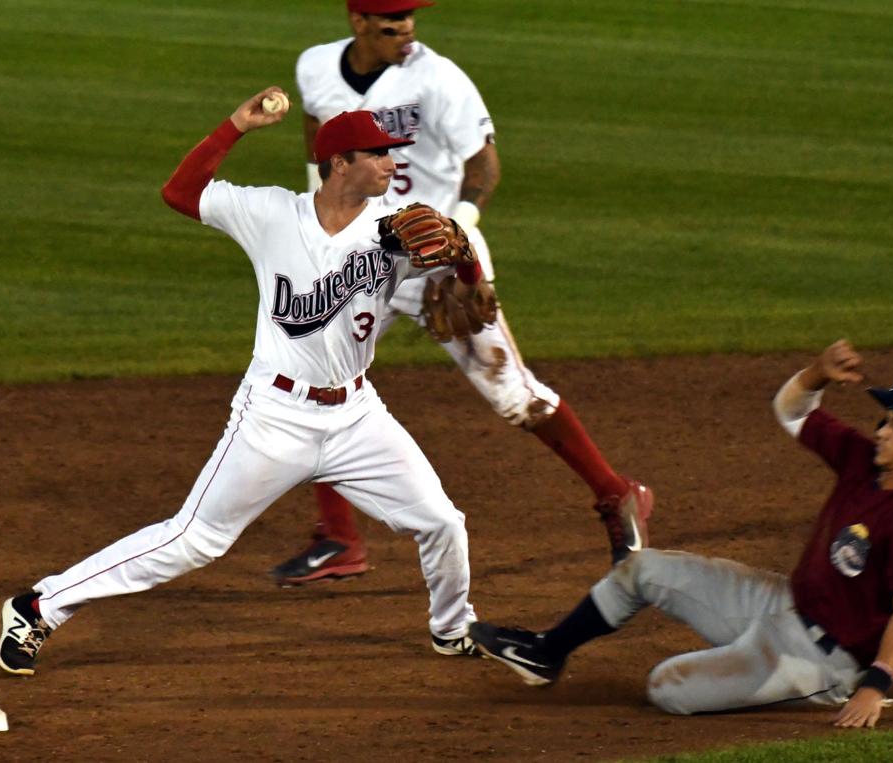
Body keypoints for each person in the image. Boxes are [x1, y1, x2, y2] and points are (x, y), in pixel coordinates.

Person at [0, 91, 492, 676]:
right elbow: (179, 193)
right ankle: (39, 606)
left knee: (441, 522)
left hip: (358, 417)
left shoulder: (399, 233)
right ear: (339, 163)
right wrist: (235, 126)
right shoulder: (272, 214)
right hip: (274, 415)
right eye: (379, 154)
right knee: (194, 540)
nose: (392, 163)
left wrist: (466, 268)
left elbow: (466, 280)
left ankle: (452, 630)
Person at [270, 0, 652, 586]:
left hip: (442, 260)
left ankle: (619, 494)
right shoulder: (316, 67)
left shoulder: (437, 78)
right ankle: (340, 539)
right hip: (361, 258)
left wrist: (460, 244)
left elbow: (485, 166)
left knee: (515, 399)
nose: (407, 30)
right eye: (393, 22)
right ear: (360, 23)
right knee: (313, 375)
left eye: (411, 19)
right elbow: (317, 147)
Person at [468, 340, 893, 729]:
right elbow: (792, 410)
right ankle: (546, 653)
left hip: (822, 659)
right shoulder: (864, 461)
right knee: (642, 569)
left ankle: (824, 686)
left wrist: (875, 684)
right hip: (781, 602)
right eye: (888, 420)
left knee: (666, 688)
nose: (884, 430)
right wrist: (818, 372)